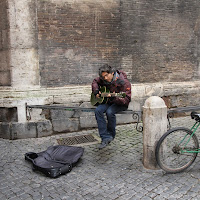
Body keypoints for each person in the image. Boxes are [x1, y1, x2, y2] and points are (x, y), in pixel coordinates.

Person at [92, 64, 131, 149]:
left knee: (110, 112)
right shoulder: (103, 79)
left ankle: (111, 135)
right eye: (103, 77)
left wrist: (114, 97)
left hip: (121, 103)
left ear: (112, 73)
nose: (105, 78)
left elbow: (126, 99)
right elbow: (95, 81)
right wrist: (96, 91)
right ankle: (105, 137)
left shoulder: (124, 82)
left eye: (106, 75)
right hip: (109, 101)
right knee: (98, 110)